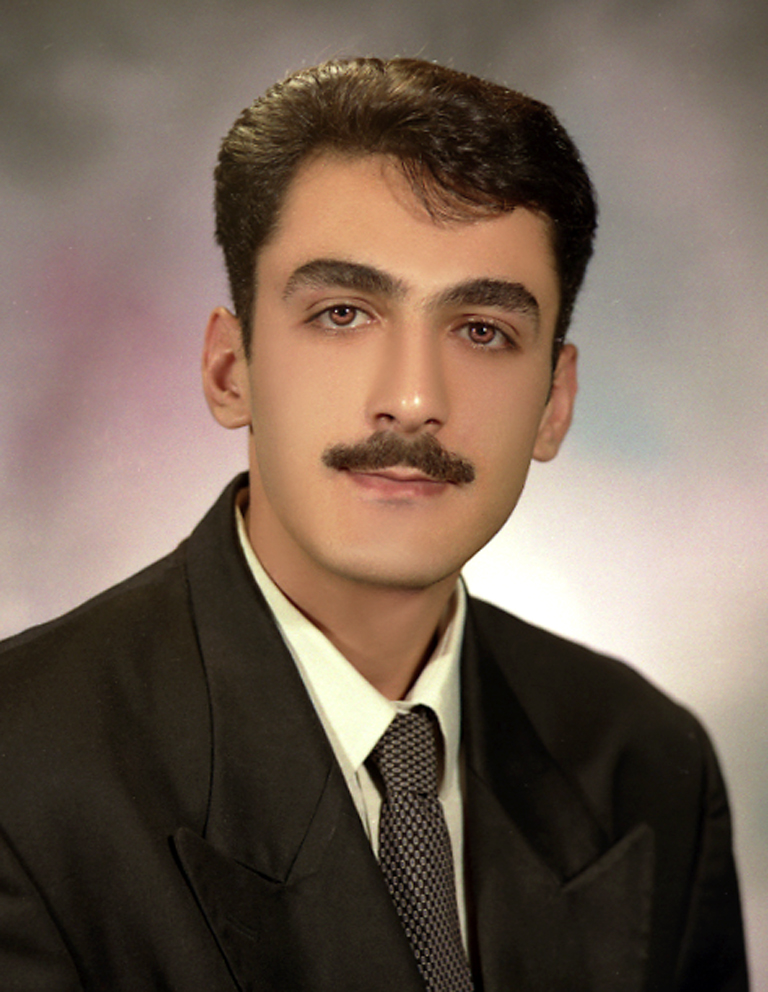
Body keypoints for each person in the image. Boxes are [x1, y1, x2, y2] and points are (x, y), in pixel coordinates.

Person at [0, 57, 748, 992]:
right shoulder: (20, 768)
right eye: (344, 313)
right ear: (231, 371)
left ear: (554, 404)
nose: (413, 398)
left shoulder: (648, 764)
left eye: (482, 330)